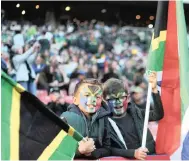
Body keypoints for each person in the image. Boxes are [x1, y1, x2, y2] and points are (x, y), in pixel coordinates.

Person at [103, 72, 164, 160]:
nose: (118, 102)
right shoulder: (104, 122)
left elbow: (158, 115)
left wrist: (154, 90)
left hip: (148, 157)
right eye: (112, 98)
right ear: (105, 101)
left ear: (127, 98)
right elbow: (108, 149)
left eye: (121, 97)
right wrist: (133, 153)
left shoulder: (136, 113)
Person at [61, 78, 111, 159]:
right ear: (75, 100)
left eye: (97, 97)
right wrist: (79, 150)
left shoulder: (103, 118)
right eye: (87, 95)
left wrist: (93, 153)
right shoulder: (66, 119)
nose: (92, 100)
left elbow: (108, 148)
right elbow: (56, 150)